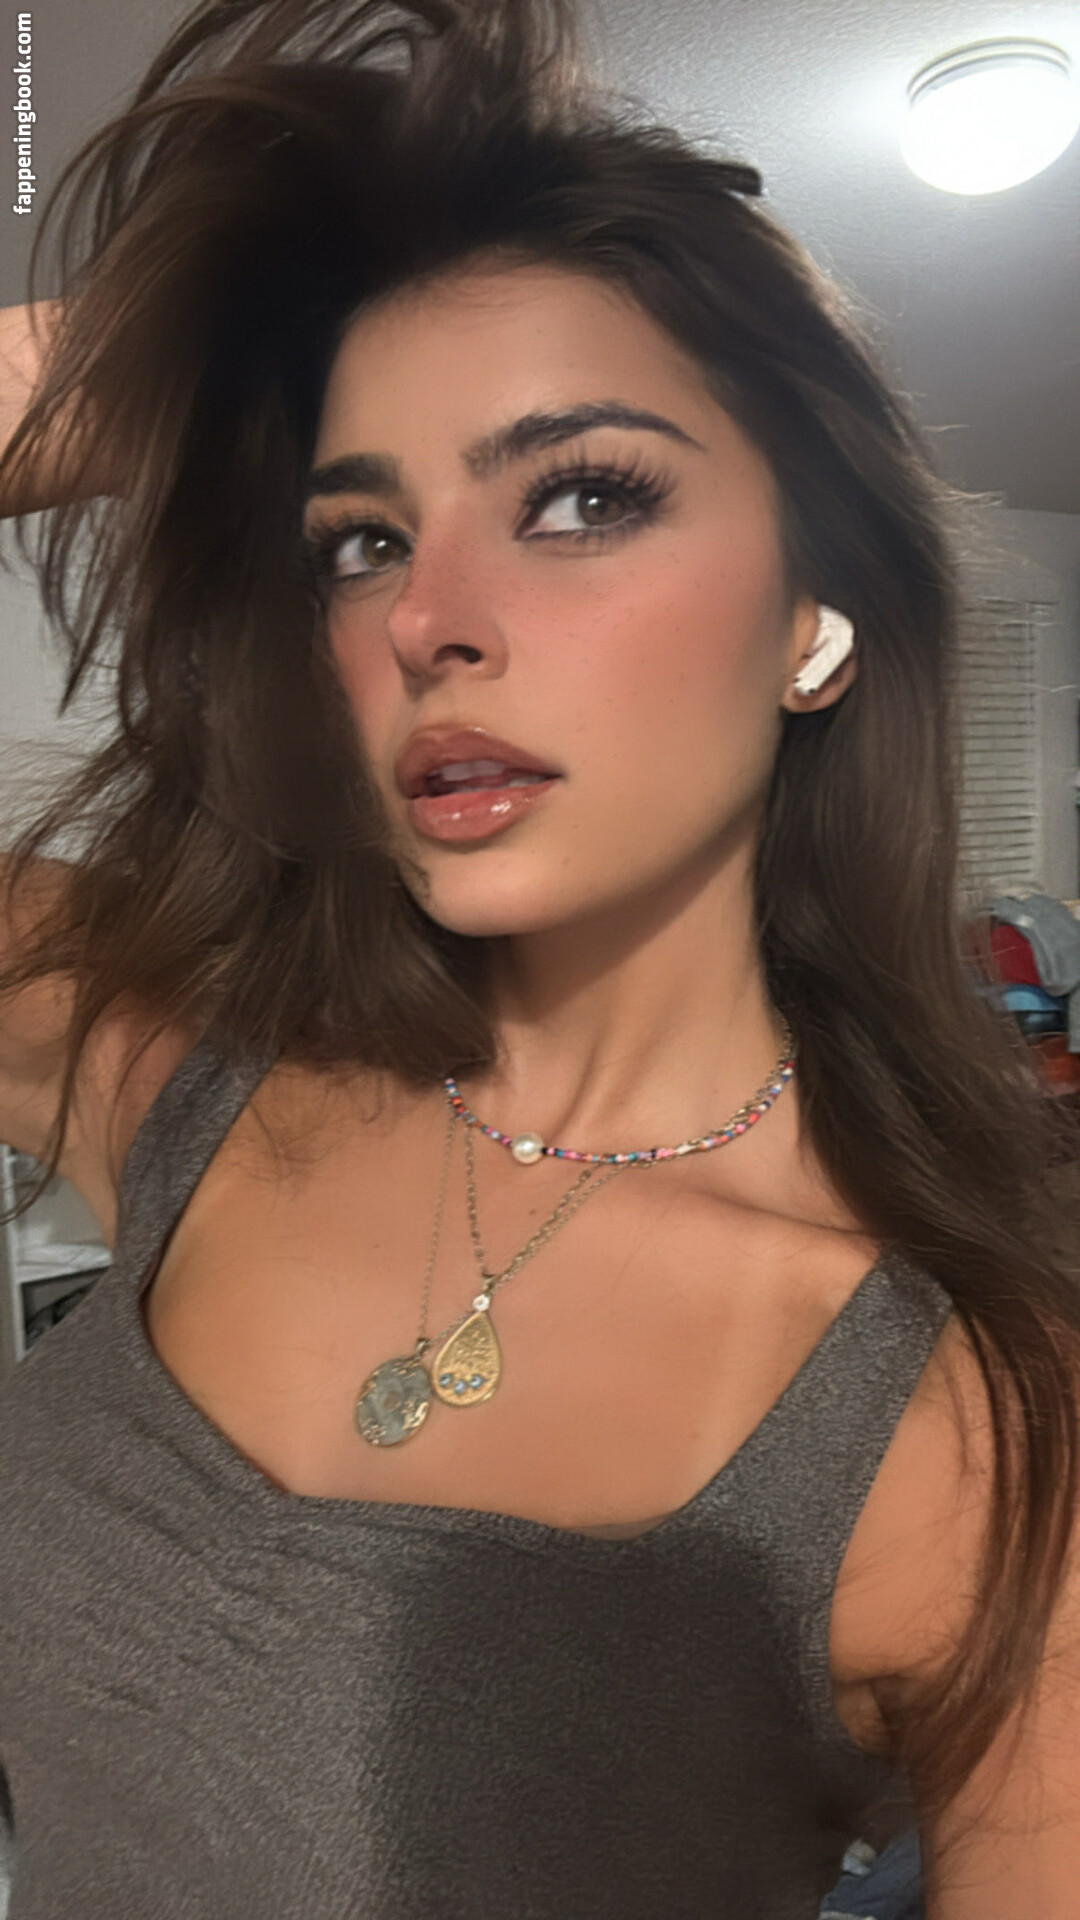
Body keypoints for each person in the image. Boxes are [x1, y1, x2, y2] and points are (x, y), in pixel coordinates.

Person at [0, 2, 1077, 1914]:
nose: (429, 618)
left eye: (581, 496)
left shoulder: (977, 1428)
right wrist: (150, 370)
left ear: (818, 618)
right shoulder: (184, 1073)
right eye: (356, 540)